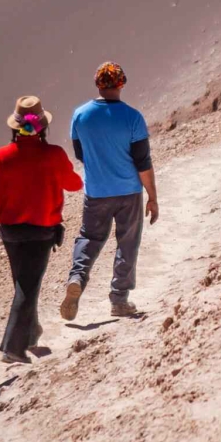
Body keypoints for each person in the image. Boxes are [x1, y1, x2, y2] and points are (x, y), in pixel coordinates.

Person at [0, 96, 84, 364]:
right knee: (28, 287)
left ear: (15, 127)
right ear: (42, 128)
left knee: (23, 283)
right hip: (42, 232)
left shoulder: (1, 157)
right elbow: (74, 185)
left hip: (10, 233)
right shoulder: (54, 155)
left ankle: (32, 331)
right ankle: (13, 347)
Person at [62, 62, 159, 320]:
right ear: (121, 84)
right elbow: (143, 161)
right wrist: (153, 197)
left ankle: (77, 278)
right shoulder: (133, 117)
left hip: (96, 190)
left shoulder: (80, 115)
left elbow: (80, 153)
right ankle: (119, 300)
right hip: (128, 192)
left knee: (89, 238)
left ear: (97, 84)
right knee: (127, 243)